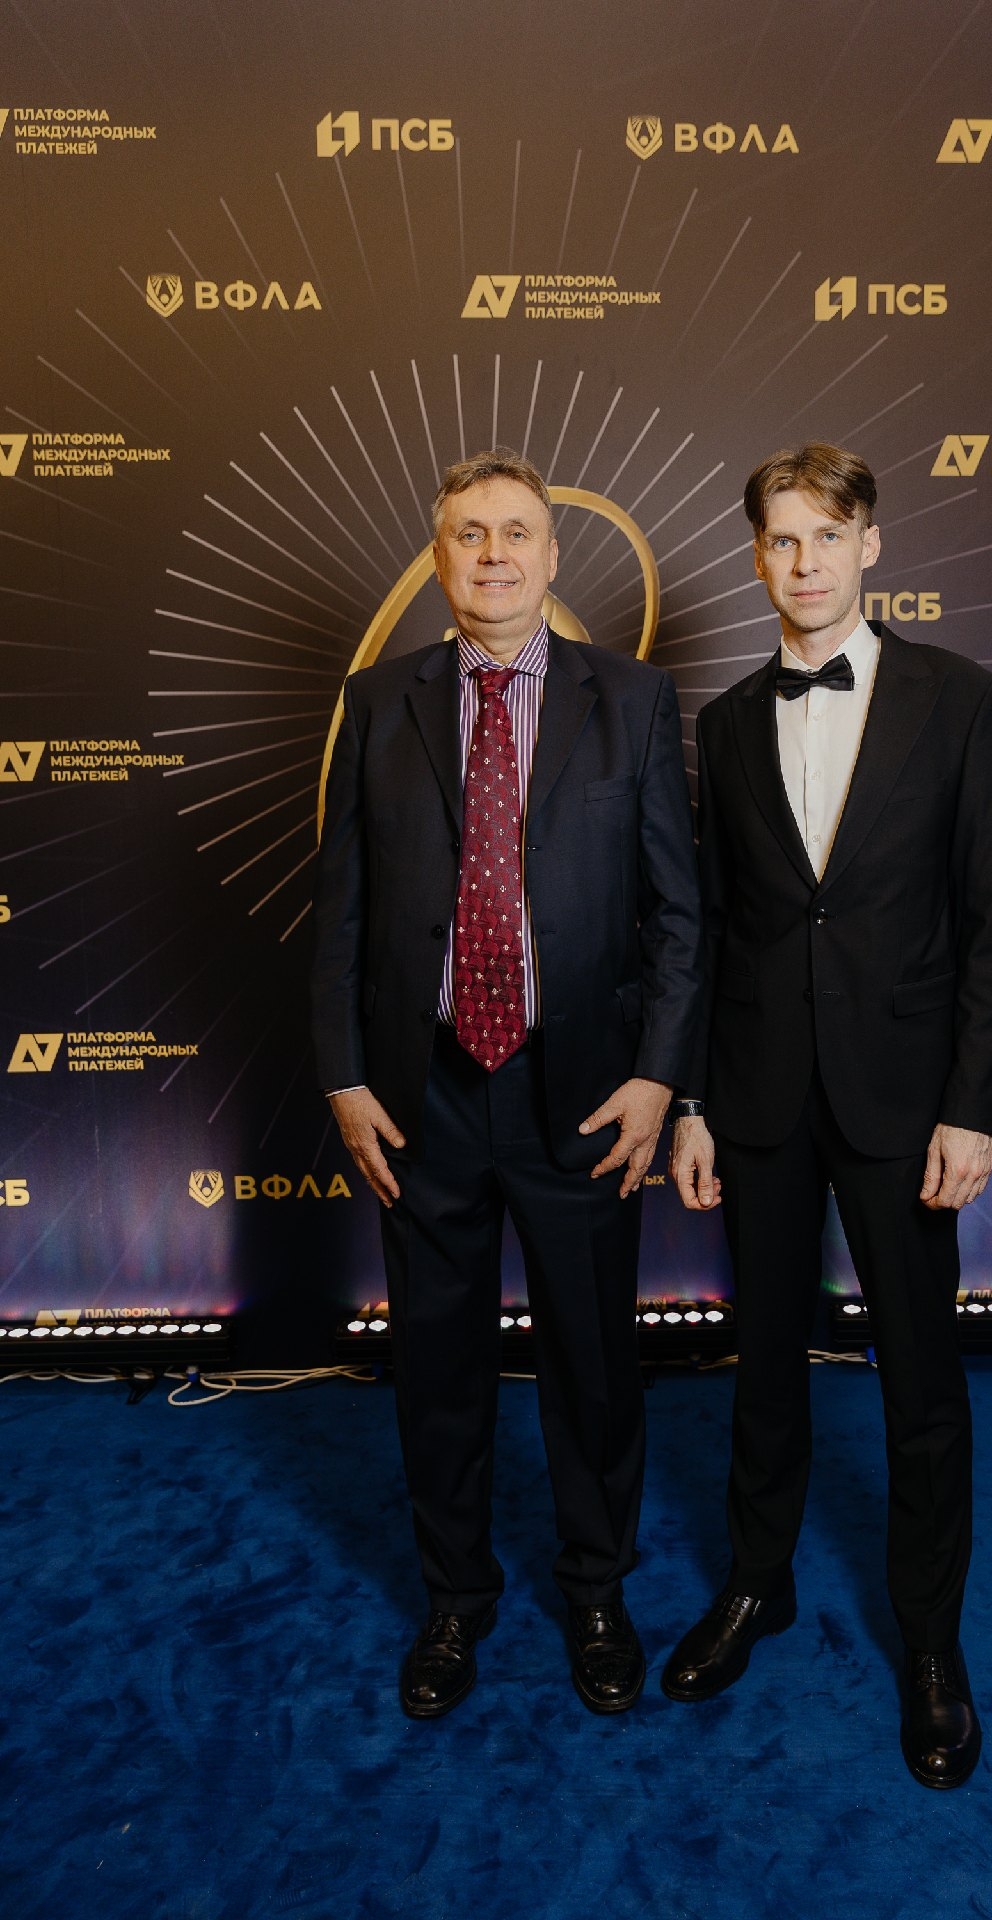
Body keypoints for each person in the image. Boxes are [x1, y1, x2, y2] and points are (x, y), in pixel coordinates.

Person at [311, 449, 701, 1719]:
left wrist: (657, 1080)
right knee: (436, 1367)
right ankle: (454, 1601)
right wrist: (343, 1076)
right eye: (469, 533)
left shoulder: (631, 699)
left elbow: (678, 914)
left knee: (594, 1364)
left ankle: (595, 1591)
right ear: (438, 559)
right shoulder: (378, 701)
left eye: (516, 531)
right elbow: (339, 911)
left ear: (551, 553)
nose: (493, 553)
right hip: (420, 1094)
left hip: (580, 1093)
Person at [664, 442, 992, 1788]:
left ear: (871, 544)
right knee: (761, 1365)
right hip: (757, 1096)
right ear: (756, 556)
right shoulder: (723, 723)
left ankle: (930, 1645)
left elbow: (987, 928)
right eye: (781, 538)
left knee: (920, 1385)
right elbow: (716, 930)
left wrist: (970, 1109)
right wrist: (695, 1100)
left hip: (902, 1104)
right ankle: (758, 1585)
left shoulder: (960, 698)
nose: (803, 561)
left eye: (827, 535)